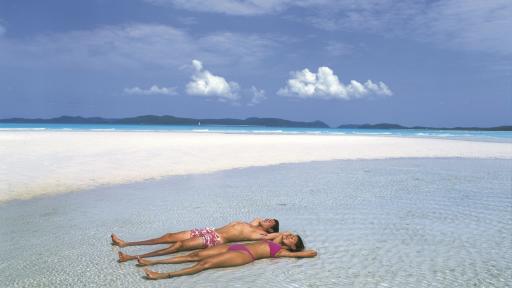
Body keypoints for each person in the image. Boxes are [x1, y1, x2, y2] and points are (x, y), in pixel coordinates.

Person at [141, 233, 317, 280]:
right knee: (194, 255)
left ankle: (163, 275)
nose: (289, 236)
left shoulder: (282, 251)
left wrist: (296, 252)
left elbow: (312, 253)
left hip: (244, 254)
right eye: (291, 235)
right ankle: (154, 261)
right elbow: (275, 235)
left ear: (293, 246)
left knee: (205, 263)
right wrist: (284, 236)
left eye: (292, 238)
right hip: (234, 246)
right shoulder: (276, 240)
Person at [114, 218, 280, 262]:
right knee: (169, 237)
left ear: (271, 230)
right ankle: (126, 243)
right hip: (209, 230)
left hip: (216, 238)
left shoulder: (261, 235)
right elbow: (258, 218)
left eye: (271, 221)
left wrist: (271, 230)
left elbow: (279, 235)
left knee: (177, 246)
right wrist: (264, 222)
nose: (267, 219)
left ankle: (133, 257)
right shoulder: (252, 223)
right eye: (269, 218)